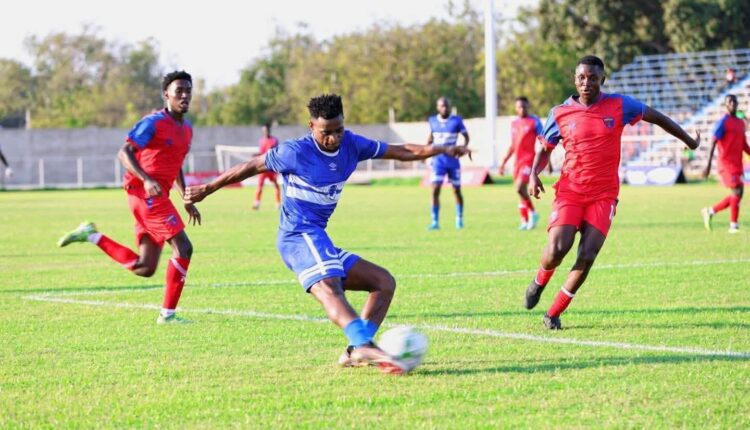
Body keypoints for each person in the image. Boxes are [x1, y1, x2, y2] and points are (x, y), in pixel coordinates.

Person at [183, 94, 471, 373]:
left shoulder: (352, 144)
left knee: (383, 282)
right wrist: (207, 188)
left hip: (317, 237)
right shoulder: (294, 151)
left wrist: (442, 149)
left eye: (338, 130)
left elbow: (402, 151)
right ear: (311, 127)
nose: (334, 138)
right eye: (326, 132)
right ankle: (365, 345)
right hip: (297, 235)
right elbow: (251, 166)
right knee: (329, 286)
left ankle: (355, 350)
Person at [523, 55, 700, 330]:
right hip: (571, 191)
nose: (586, 83)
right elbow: (545, 148)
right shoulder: (560, 113)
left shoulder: (620, 105)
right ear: (575, 80)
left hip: (604, 195)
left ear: (602, 79)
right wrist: (534, 172)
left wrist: (689, 140)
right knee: (558, 248)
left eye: (593, 78)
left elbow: (657, 117)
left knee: (587, 255)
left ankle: (554, 312)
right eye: (581, 77)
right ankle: (539, 281)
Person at [57, 70, 201, 324]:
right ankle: (167, 316)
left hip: (158, 196)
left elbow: (176, 163)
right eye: (179, 91)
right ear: (166, 94)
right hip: (144, 194)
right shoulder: (153, 123)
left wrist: (185, 198)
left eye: (188, 90)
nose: (184, 95)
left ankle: (91, 234)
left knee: (145, 267)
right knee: (184, 247)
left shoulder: (187, 129)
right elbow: (124, 152)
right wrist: (146, 179)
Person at [701, 94, 750, 234]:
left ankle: (710, 211)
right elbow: (713, 142)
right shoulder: (722, 122)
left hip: (737, 164)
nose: (732, 104)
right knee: (737, 192)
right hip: (726, 164)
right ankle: (733, 226)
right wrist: (708, 165)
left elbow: (744, 145)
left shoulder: (740, 123)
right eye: (730, 102)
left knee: (738, 194)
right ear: (726, 105)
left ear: (737, 104)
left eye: (734, 101)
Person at [499, 96, 544, 230]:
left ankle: (533, 213)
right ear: (516, 108)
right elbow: (513, 145)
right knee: (520, 192)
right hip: (517, 162)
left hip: (529, 161)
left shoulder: (534, 121)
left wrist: (546, 160)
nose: (522, 109)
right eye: (519, 107)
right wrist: (503, 161)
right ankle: (524, 221)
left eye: (524, 106)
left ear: (527, 106)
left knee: (519, 187)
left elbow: (543, 141)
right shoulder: (514, 123)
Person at [426, 97, 470, 230]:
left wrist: (463, 148)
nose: (444, 108)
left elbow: (466, 137)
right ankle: (435, 221)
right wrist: (425, 152)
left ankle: (459, 219)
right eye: (442, 106)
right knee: (435, 190)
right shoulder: (432, 121)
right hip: (438, 161)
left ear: (450, 107)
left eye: (446, 106)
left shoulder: (456, 121)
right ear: (437, 107)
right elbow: (430, 138)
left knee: (456, 190)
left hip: (453, 161)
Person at [252, 123, 282, 210]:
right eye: (264, 130)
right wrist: (256, 154)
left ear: (269, 130)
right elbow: (262, 153)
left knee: (276, 185)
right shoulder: (261, 141)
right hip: (262, 167)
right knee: (259, 185)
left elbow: (275, 152)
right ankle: (257, 203)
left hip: (271, 167)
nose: (265, 132)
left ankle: (278, 203)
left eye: (267, 130)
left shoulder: (274, 140)